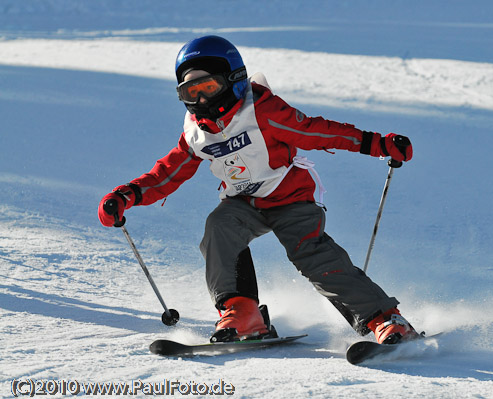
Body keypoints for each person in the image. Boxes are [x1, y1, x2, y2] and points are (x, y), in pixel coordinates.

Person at [98, 35, 418, 344]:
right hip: (244, 203)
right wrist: (127, 196)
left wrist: (376, 144)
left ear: (234, 80)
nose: (202, 100)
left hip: (291, 197)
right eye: (191, 92)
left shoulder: (262, 111)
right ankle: (243, 312)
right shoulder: (197, 133)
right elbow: (168, 173)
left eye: (209, 87)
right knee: (219, 227)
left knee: (310, 253)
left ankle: (384, 318)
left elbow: (315, 132)